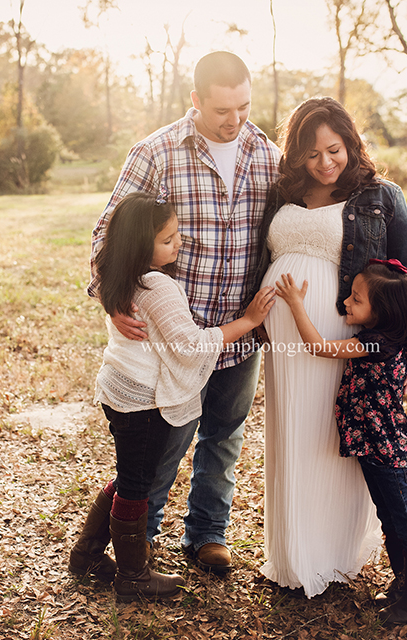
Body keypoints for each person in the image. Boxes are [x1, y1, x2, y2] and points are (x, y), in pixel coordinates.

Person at [88, 52, 280, 575]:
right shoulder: (156, 152)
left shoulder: (267, 155)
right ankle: (138, 542)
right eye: (221, 109)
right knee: (164, 444)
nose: (234, 120)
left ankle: (207, 535)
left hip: (238, 332)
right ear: (194, 100)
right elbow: (109, 231)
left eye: (243, 106)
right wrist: (111, 293)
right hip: (174, 340)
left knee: (225, 435)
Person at [254, 97, 407, 597]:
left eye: (333, 150)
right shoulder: (283, 192)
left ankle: (332, 554)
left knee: (336, 440)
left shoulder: (383, 195)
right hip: (286, 342)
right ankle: (295, 553)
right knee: (294, 436)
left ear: (351, 143)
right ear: (298, 156)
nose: (325, 163)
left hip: (338, 333)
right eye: (312, 155)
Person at [70, 192, 275, 601]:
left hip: (120, 392)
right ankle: (133, 576)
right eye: (168, 239)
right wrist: (249, 321)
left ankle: (87, 554)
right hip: (144, 403)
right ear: (139, 246)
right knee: (136, 484)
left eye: (176, 233)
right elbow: (190, 346)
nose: (178, 242)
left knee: (130, 475)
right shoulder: (157, 285)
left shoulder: (118, 274)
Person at [272, 259, 407, 624]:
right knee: (391, 517)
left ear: (382, 313)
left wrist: (297, 304)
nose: (347, 301)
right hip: (373, 444)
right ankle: (405, 585)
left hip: (385, 448)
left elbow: (318, 346)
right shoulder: (387, 340)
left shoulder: (377, 345)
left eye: (357, 299)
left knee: (405, 520)